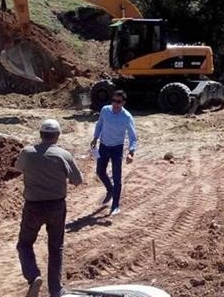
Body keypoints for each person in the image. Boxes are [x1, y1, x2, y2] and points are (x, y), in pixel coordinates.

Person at [15, 119, 83, 297]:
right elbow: (78, 180)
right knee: (55, 246)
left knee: (24, 244)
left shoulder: (27, 153)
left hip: (32, 207)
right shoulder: (63, 155)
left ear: (40, 134)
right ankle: (55, 289)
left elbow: (18, 168)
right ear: (58, 136)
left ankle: (33, 276)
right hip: (56, 206)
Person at [91, 89, 137, 217]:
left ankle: (115, 205)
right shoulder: (105, 110)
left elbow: (133, 136)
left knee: (117, 177)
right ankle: (109, 189)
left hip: (117, 148)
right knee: (100, 171)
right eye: (113, 100)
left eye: (118, 101)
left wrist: (131, 152)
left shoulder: (127, 117)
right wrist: (95, 138)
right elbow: (99, 124)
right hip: (104, 146)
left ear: (123, 103)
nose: (115, 104)